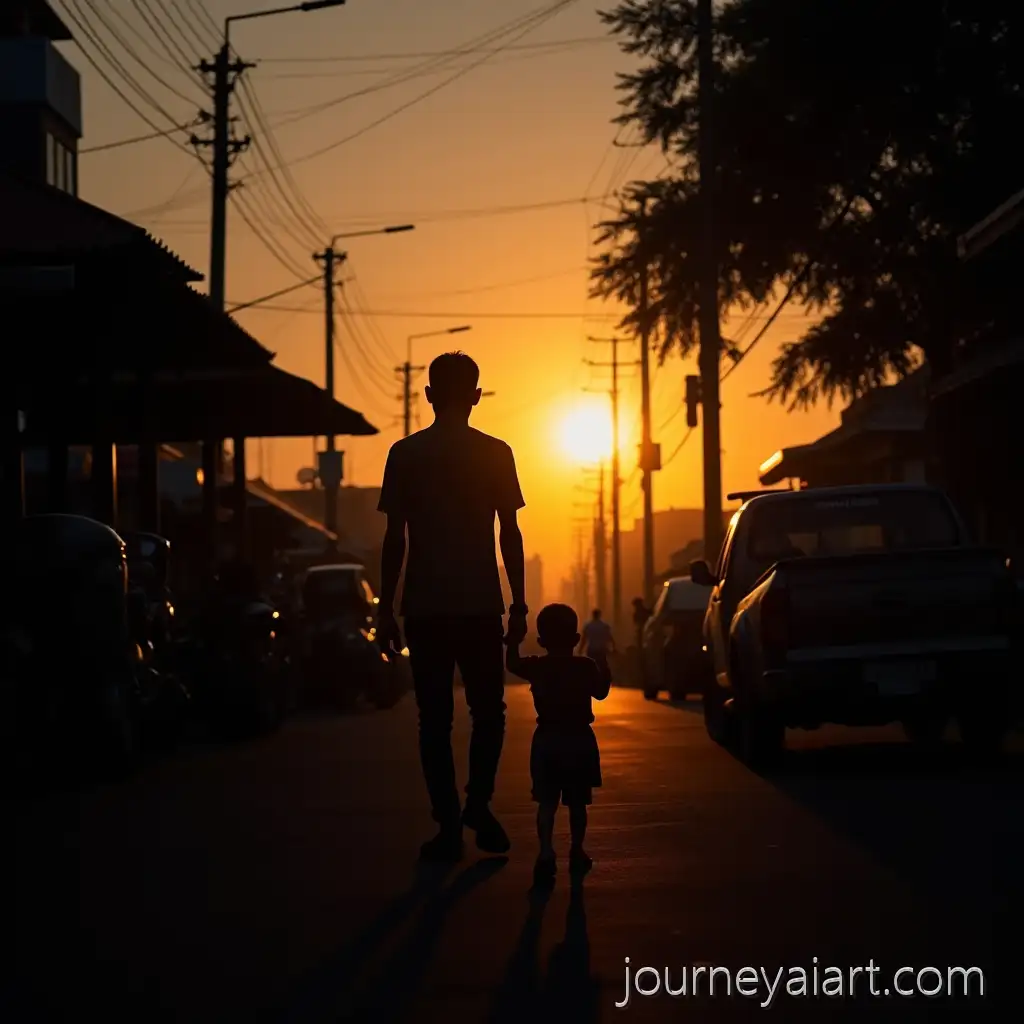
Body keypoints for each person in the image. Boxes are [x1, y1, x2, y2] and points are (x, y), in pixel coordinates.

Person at [376, 351, 528, 863]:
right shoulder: (496, 453)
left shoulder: (405, 454)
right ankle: (478, 805)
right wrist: (520, 603)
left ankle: (447, 824)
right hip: (481, 603)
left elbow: (393, 538)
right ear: (476, 397)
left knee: (433, 719)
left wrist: (385, 609)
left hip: (425, 606)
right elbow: (510, 532)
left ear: (429, 396)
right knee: (489, 713)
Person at [506, 603, 611, 888]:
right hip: (579, 739)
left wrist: (512, 641)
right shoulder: (585, 666)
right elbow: (601, 692)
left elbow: (512, 664)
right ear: (576, 640)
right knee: (578, 803)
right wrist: (604, 663)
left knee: (547, 802)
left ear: (540, 641)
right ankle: (576, 850)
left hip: (547, 739)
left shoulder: (537, 666)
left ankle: (545, 852)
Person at [578, 608, 615, 674]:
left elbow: (584, 639)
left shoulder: (588, 626)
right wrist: (613, 647)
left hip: (592, 649)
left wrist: (580, 649)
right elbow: (610, 638)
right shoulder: (604, 626)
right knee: (602, 666)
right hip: (602, 649)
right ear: (600, 615)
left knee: (591, 666)